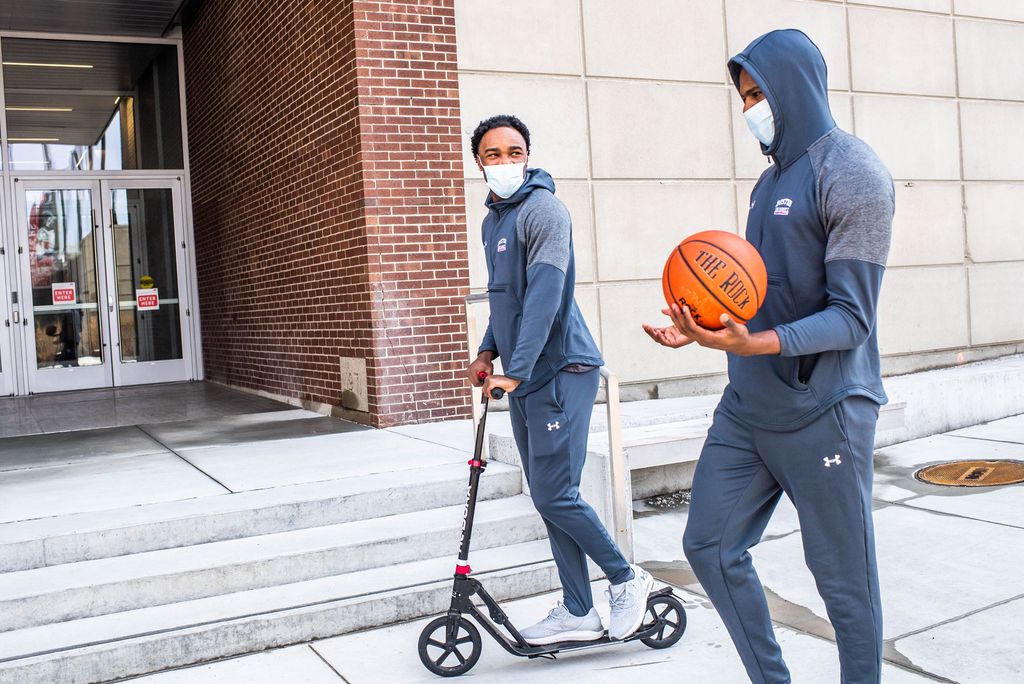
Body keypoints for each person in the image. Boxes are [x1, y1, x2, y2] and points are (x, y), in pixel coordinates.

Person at [643, 30, 894, 684]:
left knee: (845, 589)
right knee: (709, 546)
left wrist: (754, 340)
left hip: (826, 410)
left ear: (796, 88)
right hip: (749, 407)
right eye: (745, 96)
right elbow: (760, 294)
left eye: (760, 92)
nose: (752, 107)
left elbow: (851, 319)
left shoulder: (853, 172)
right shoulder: (767, 184)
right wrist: (701, 327)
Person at [467, 114, 653, 645]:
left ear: (529, 155)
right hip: (526, 375)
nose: (504, 161)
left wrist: (516, 372)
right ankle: (577, 608)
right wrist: (487, 351)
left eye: (514, 151)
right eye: (493, 153)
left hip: (561, 369)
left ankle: (625, 577)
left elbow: (547, 296)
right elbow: (507, 302)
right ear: (478, 161)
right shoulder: (493, 224)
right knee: (551, 495)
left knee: (555, 496)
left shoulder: (544, 210)